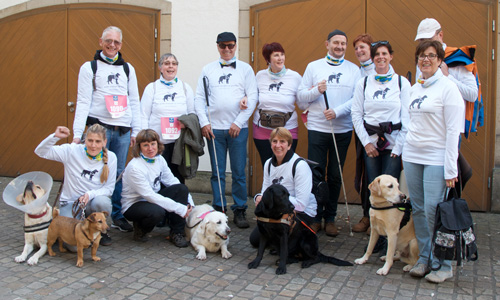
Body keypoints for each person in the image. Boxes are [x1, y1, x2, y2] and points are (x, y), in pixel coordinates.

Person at [403, 40, 465, 283]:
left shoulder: (448, 88)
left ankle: (444, 263)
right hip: (413, 156)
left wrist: (450, 168)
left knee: (434, 211)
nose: (425, 60)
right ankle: (425, 258)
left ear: (440, 60)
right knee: (417, 209)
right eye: (421, 56)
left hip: (436, 157)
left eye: (431, 56)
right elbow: (408, 123)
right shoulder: (414, 89)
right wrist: (405, 153)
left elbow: (453, 131)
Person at [72, 26, 140, 233]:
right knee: (94, 171)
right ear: (100, 41)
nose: (112, 45)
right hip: (98, 129)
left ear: (121, 44)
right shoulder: (89, 68)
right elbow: (83, 101)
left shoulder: (128, 68)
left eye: (116, 42)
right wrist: (76, 135)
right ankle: (89, 218)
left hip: (122, 130)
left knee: (118, 173)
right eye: (108, 41)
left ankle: (115, 215)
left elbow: (134, 100)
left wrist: (136, 130)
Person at [297, 29, 361, 236]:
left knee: (334, 175)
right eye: (336, 43)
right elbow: (300, 98)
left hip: (341, 130)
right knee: (316, 174)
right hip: (317, 128)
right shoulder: (313, 67)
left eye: (343, 43)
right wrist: (316, 90)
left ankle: (330, 218)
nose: (339, 47)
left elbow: (357, 99)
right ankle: (315, 216)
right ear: (327, 44)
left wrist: (338, 111)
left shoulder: (354, 70)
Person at [194, 31, 258, 228]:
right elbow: (199, 98)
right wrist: (204, 123)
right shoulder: (207, 69)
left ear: (236, 46)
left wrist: (238, 122)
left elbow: (253, 96)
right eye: (223, 46)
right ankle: (219, 208)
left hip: (237, 130)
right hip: (215, 130)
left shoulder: (246, 69)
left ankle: (239, 210)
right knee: (217, 172)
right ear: (218, 47)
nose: (227, 49)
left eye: (230, 45)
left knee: (239, 172)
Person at [351, 41, 411, 233]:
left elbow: (407, 118)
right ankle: (373, 224)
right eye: (377, 54)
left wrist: (398, 147)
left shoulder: (402, 83)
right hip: (372, 145)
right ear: (372, 58)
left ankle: (391, 230)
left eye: (384, 53)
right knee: (374, 186)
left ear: (391, 56)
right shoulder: (364, 83)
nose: (381, 57)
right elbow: (356, 114)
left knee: (392, 189)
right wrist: (367, 143)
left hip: (393, 145)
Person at [35, 124, 117, 246]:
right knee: (73, 246)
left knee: (103, 202)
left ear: (104, 142)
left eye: (98, 141)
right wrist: (55, 137)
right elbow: (40, 152)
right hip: (71, 203)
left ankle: (99, 231)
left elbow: (109, 189)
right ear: (85, 140)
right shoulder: (71, 150)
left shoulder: (111, 157)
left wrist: (90, 194)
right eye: (90, 140)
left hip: (92, 203)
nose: (93, 145)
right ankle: (73, 230)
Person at [120, 129, 194, 247]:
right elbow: (150, 196)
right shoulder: (135, 167)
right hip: (134, 204)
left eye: (153, 144)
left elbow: (172, 181)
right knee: (157, 212)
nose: (150, 148)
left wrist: (189, 202)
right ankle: (140, 230)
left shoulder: (159, 159)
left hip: (153, 199)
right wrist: (180, 209)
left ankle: (177, 233)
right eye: (145, 145)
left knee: (181, 188)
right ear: (139, 147)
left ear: (158, 144)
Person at [249, 127, 317, 247]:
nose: (278, 145)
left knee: (282, 242)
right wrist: (259, 197)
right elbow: (265, 191)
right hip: (279, 209)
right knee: (255, 240)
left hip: (301, 211)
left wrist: (275, 200)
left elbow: (301, 204)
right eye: (274, 141)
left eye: (282, 142)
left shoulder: (299, 166)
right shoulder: (268, 163)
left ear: (289, 145)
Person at [141, 53, 196, 184]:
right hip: (158, 143)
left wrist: (186, 123)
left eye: (174, 63)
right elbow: (143, 114)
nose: (170, 66)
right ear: (160, 67)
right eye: (166, 63)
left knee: (177, 176)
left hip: (179, 143)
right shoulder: (152, 88)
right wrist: (145, 138)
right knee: (157, 177)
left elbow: (192, 113)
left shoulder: (185, 88)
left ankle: (179, 202)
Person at [252, 42, 302, 167]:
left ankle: (285, 188)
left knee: (286, 167)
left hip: (287, 129)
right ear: (268, 59)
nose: (280, 58)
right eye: (276, 55)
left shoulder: (295, 77)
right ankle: (270, 187)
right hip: (262, 129)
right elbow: (252, 96)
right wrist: (244, 100)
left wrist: (314, 91)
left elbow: (303, 101)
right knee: (267, 165)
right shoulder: (260, 76)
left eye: (282, 54)